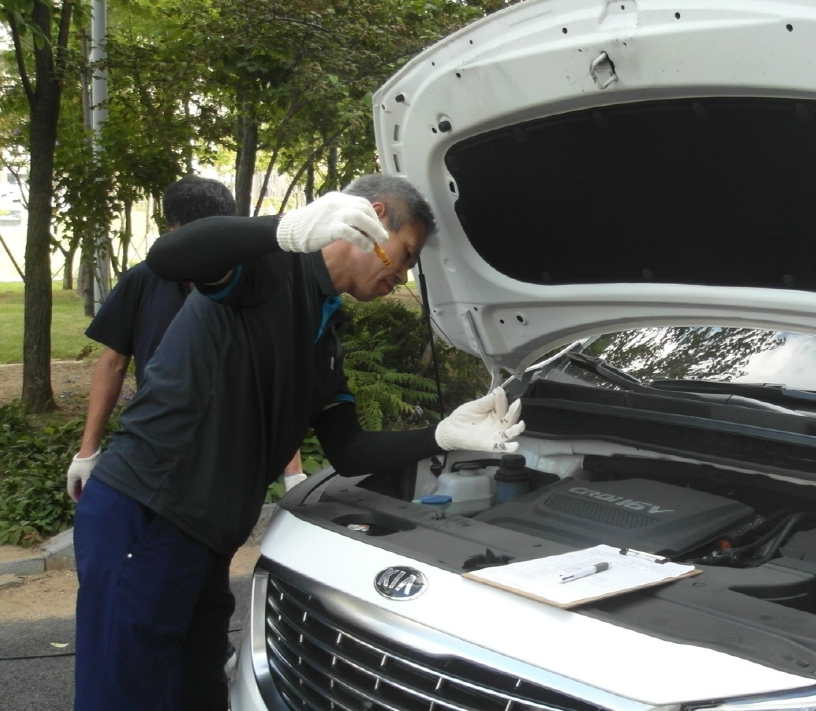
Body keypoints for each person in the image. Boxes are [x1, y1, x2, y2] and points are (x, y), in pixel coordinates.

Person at [72, 174, 524, 711]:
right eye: (404, 255)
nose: (401, 275)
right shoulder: (268, 268)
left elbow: (349, 450)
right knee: (124, 696)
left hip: (205, 537)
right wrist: (282, 229)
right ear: (375, 217)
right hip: (147, 513)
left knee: (195, 693)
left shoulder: (324, 332)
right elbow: (170, 256)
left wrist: (442, 434)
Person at [65, 175, 306, 502]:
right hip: (156, 444)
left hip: (230, 448)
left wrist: (292, 471)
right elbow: (113, 362)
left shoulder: (253, 284)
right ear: (174, 232)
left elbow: (275, 374)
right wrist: (87, 451)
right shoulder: (144, 279)